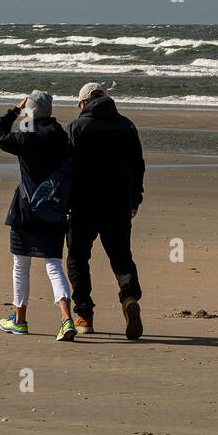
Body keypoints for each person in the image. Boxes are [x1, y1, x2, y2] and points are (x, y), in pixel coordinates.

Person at [0, 90, 77, 341]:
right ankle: (66, 319)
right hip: (54, 209)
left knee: (21, 265)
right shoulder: (61, 136)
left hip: (26, 209)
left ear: (30, 111)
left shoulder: (26, 137)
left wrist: (15, 111)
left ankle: (20, 319)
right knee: (53, 265)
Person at [66, 82, 145, 339]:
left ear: (83, 102)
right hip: (118, 204)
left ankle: (84, 314)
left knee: (78, 258)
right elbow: (137, 165)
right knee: (121, 257)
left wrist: (64, 202)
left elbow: (68, 168)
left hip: (83, 205)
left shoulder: (77, 127)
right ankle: (129, 296)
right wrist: (135, 199)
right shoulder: (127, 125)